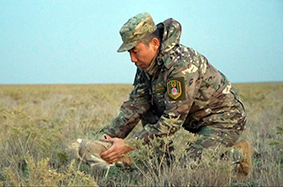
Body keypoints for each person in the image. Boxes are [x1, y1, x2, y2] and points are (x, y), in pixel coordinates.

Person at [99, 12, 253, 179]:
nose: (132, 59)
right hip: (195, 119)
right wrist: (106, 138)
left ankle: (237, 155)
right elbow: (136, 105)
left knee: (186, 171)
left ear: (154, 43)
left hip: (223, 120)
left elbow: (172, 121)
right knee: (159, 169)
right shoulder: (146, 67)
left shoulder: (181, 64)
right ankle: (162, 164)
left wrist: (128, 145)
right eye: (129, 53)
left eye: (135, 51)